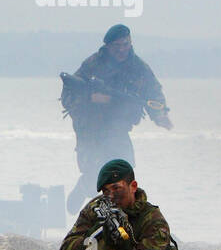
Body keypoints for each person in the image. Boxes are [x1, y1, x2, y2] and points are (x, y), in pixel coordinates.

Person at [62, 24, 171, 214]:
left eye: (126, 44)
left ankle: (129, 215)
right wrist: (91, 99)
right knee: (96, 171)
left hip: (118, 128)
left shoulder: (138, 67)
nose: (122, 50)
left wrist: (160, 114)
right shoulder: (93, 64)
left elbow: (153, 93)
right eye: (117, 46)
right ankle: (84, 190)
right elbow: (68, 95)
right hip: (91, 128)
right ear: (108, 46)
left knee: (124, 169)